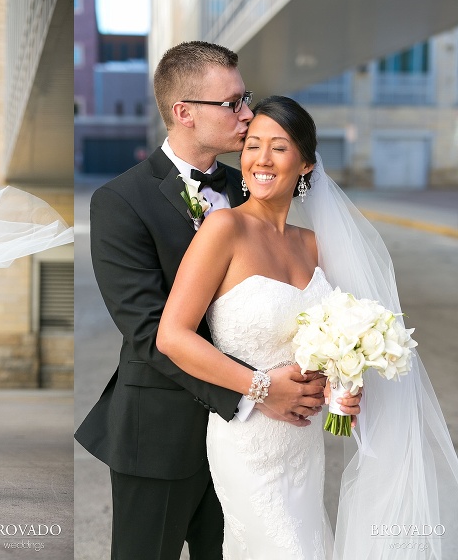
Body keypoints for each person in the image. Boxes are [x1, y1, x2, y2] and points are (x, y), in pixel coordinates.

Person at [74, 42, 358, 559]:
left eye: (244, 98)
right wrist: (253, 393)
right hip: (163, 434)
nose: (247, 116)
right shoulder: (120, 201)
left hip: (259, 450)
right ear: (184, 112)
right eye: (232, 103)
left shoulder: (252, 183)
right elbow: (148, 331)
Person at [157, 95, 458, 559]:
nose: (260, 158)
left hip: (302, 440)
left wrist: (346, 383)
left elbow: (340, 336)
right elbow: (172, 336)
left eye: (278, 147)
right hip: (247, 437)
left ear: (305, 165)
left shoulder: (316, 246)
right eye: (252, 144)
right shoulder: (223, 229)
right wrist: (260, 387)